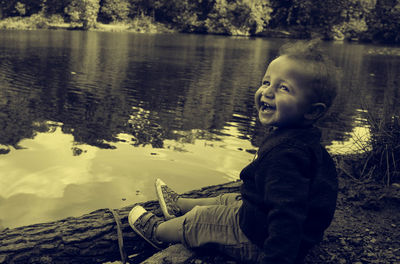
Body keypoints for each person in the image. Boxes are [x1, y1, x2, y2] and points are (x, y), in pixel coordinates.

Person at [128, 40, 339, 264]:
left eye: (283, 88)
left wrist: (277, 257)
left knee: (202, 220)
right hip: (267, 223)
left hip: (260, 241)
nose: (267, 92)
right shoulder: (303, 139)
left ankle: (159, 233)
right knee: (229, 199)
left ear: (312, 111)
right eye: (266, 82)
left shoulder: (286, 155)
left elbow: (287, 215)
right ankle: (179, 205)